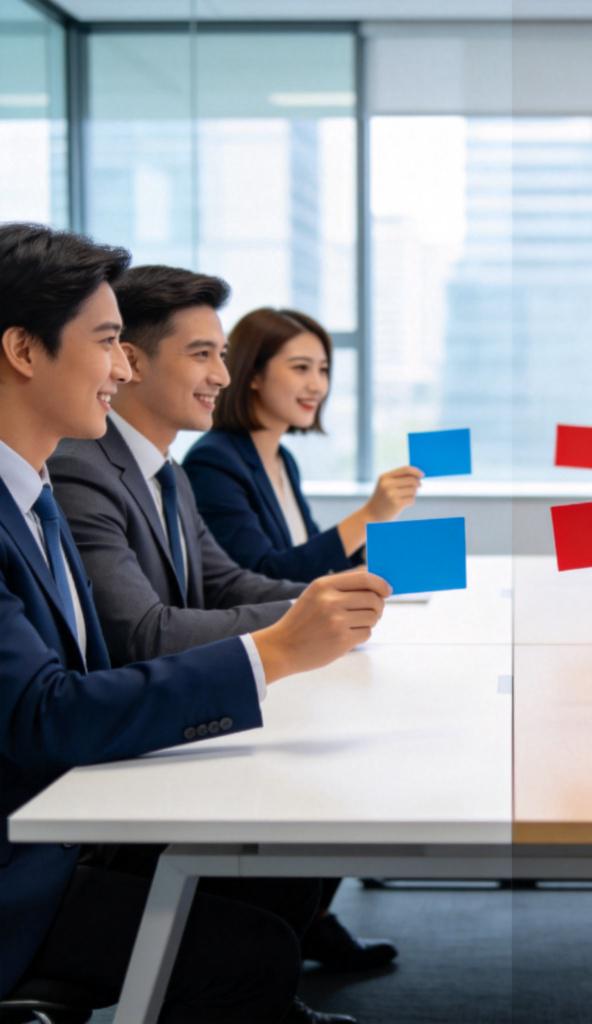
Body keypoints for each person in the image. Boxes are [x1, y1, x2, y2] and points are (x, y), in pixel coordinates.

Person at [0, 221, 391, 1023]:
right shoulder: (62, 482)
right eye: (108, 342)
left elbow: (177, 609)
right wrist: (275, 650)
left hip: (75, 805)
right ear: (23, 351)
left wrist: (313, 618)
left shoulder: (35, 492)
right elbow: (47, 707)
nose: (120, 367)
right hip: (26, 863)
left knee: (286, 850)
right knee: (252, 947)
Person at [182, 306, 421, 583]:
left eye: (323, 370)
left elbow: (306, 551)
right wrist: (370, 515)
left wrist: (371, 550)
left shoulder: (283, 459)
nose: (318, 386)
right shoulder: (212, 462)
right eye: (301, 368)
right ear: (253, 375)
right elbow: (261, 577)